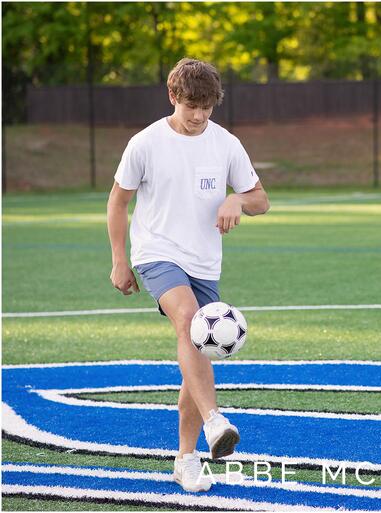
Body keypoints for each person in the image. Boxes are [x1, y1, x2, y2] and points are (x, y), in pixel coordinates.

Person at [107, 58, 269, 493]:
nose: (199, 116)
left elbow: (260, 199)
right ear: (173, 97)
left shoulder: (226, 144)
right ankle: (215, 421)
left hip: (203, 262)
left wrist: (238, 201)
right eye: (191, 105)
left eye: (208, 107)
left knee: (195, 347)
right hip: (156, 253)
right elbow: (118, 202)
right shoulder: (144, 144)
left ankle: (186, 458)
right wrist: (120, 260)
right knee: (189, 320)